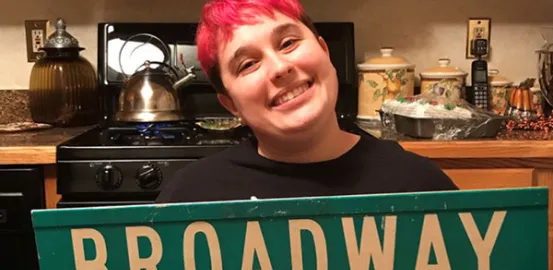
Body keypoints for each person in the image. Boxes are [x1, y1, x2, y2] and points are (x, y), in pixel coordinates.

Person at [156, 0, 458, 203]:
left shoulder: (418, 185)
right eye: (248, 64)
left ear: (325, 52)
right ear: (231, 105)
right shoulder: (190, 197)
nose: (280, 68)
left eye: (288, 43)